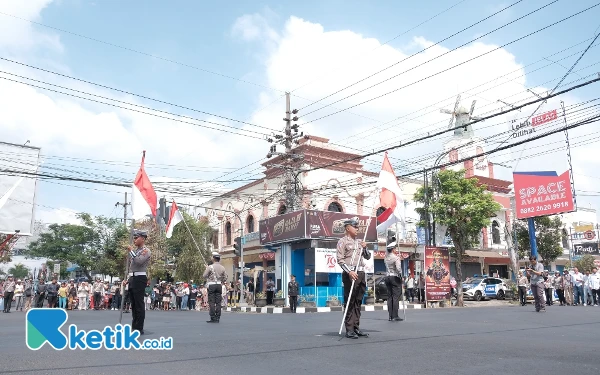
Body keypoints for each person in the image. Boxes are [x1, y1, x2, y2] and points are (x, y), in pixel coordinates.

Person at [336, 217, 371, 339]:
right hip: (350, 273)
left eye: (357, 227)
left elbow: (367, 257)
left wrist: (365, 247)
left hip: (361, 273)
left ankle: (356, 328)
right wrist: (349, 271)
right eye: (355, 227)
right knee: (350, 301)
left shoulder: (360, 242)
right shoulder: (342, 241)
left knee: (358, 301)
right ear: (347, 228)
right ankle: (349, 329)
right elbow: (339, 260)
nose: (357, 229)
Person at [126, 230, 151, 334]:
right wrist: (127, 279)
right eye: (134, 238)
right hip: (132, 278)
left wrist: (131, 251)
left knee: (139, 304)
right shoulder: (136, 251)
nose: (135, 240)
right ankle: (134, 325)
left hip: (140, 278)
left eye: (137, 238)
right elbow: (131, 267)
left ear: (143, 239)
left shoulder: (146, 251)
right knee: (134, 304)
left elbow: (139, 261)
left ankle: (139, 327)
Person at [203, 252, 228, 323]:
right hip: (219, 285)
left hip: (212, 285)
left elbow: (204, 275)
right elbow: (225, 277)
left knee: (211, 302)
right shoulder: (222, 267)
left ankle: (213, 317)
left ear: (214, 259)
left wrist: (207, 269)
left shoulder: (210, 267)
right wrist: (221, 280)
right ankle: (218, 317)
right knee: (218, 302)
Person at [384, 246, 403, 322]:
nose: (396, 250)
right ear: (393, 249)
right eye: (395, 249)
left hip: (387, 277)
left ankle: (390, 316)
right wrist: (401, 276)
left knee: (390, 297)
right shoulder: (396, 258)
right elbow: (398, 269)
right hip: (394, 277)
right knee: (395, 297)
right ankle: (395, 315)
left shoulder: (385, 258)